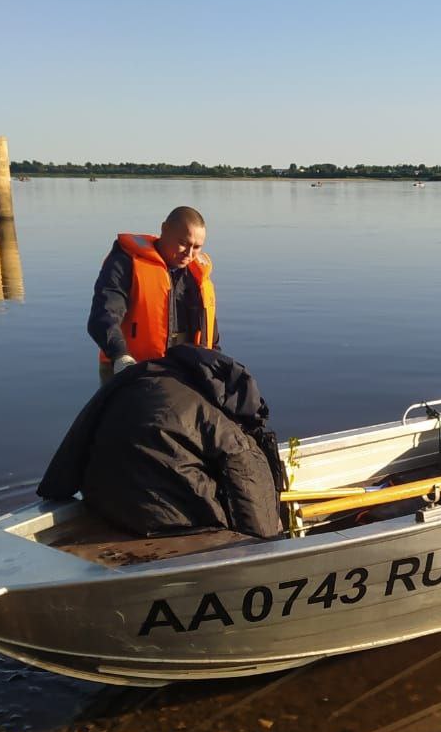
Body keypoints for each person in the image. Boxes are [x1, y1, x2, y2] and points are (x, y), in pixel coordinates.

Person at [37, 345, 284, 539]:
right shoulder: (220, 421)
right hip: (173, 523)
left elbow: (77, 437)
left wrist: (55, 490)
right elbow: (249, 479)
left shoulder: (131, 380)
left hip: (106, 509)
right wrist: (267, 549)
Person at [87, 206, 218, 380]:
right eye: (183, 243)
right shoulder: (125, 262)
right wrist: (120, 356)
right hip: (129, 369)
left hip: (187, 371)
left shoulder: (197, 275)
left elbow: (212, 335)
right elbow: (103, 315)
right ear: (164, 230)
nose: (189, 253)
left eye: (197, 247)